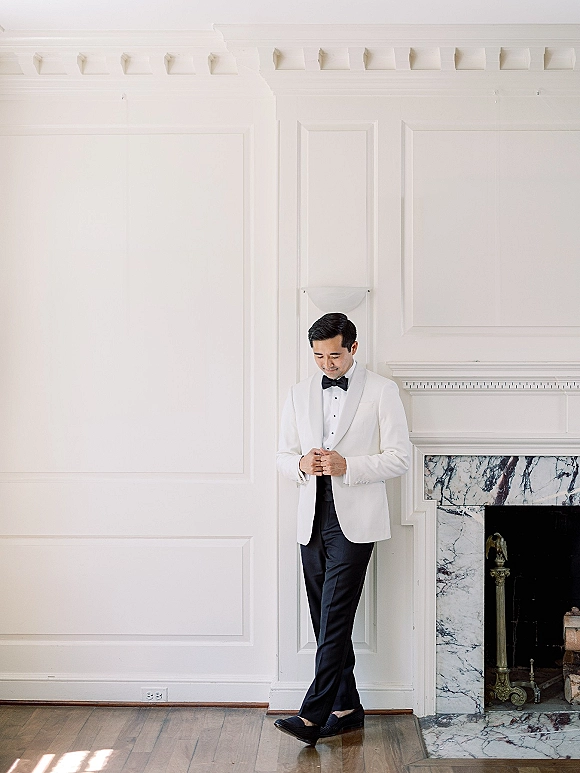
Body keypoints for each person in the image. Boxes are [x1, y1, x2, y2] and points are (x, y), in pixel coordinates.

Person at [274, 313, 410, 745]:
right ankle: (347, 707)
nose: (327, 364)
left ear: (353, 348)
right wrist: (300, 464)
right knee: (322, 617)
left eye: (334, 355)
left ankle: (312, 716)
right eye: (318, 356)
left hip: (356, 520)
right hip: (311, 517)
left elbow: (400, 457)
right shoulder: (297, 394)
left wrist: (348, 465)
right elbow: (282, 454)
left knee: (333, 617)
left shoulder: (383, 391)